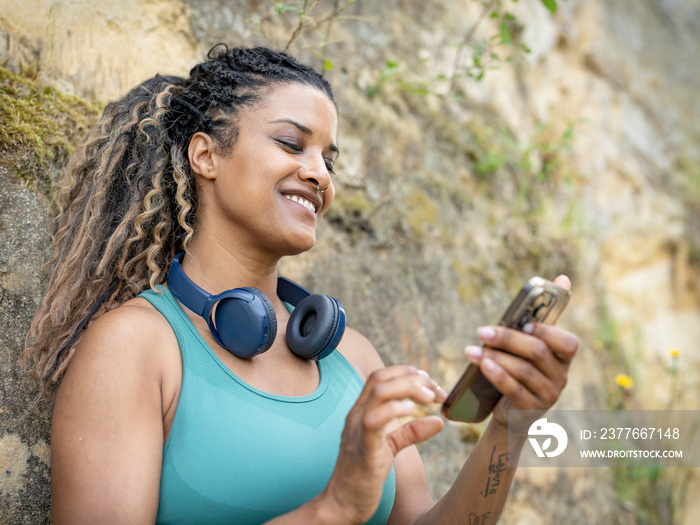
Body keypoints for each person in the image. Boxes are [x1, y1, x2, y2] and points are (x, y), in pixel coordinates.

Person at [23, 45, 579, 524]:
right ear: (206, 154)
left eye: (328, 158)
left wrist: (511, 422)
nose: (320, 174)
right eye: (292, 144)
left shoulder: (354, 356)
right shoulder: (134, 347)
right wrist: (334, 508)